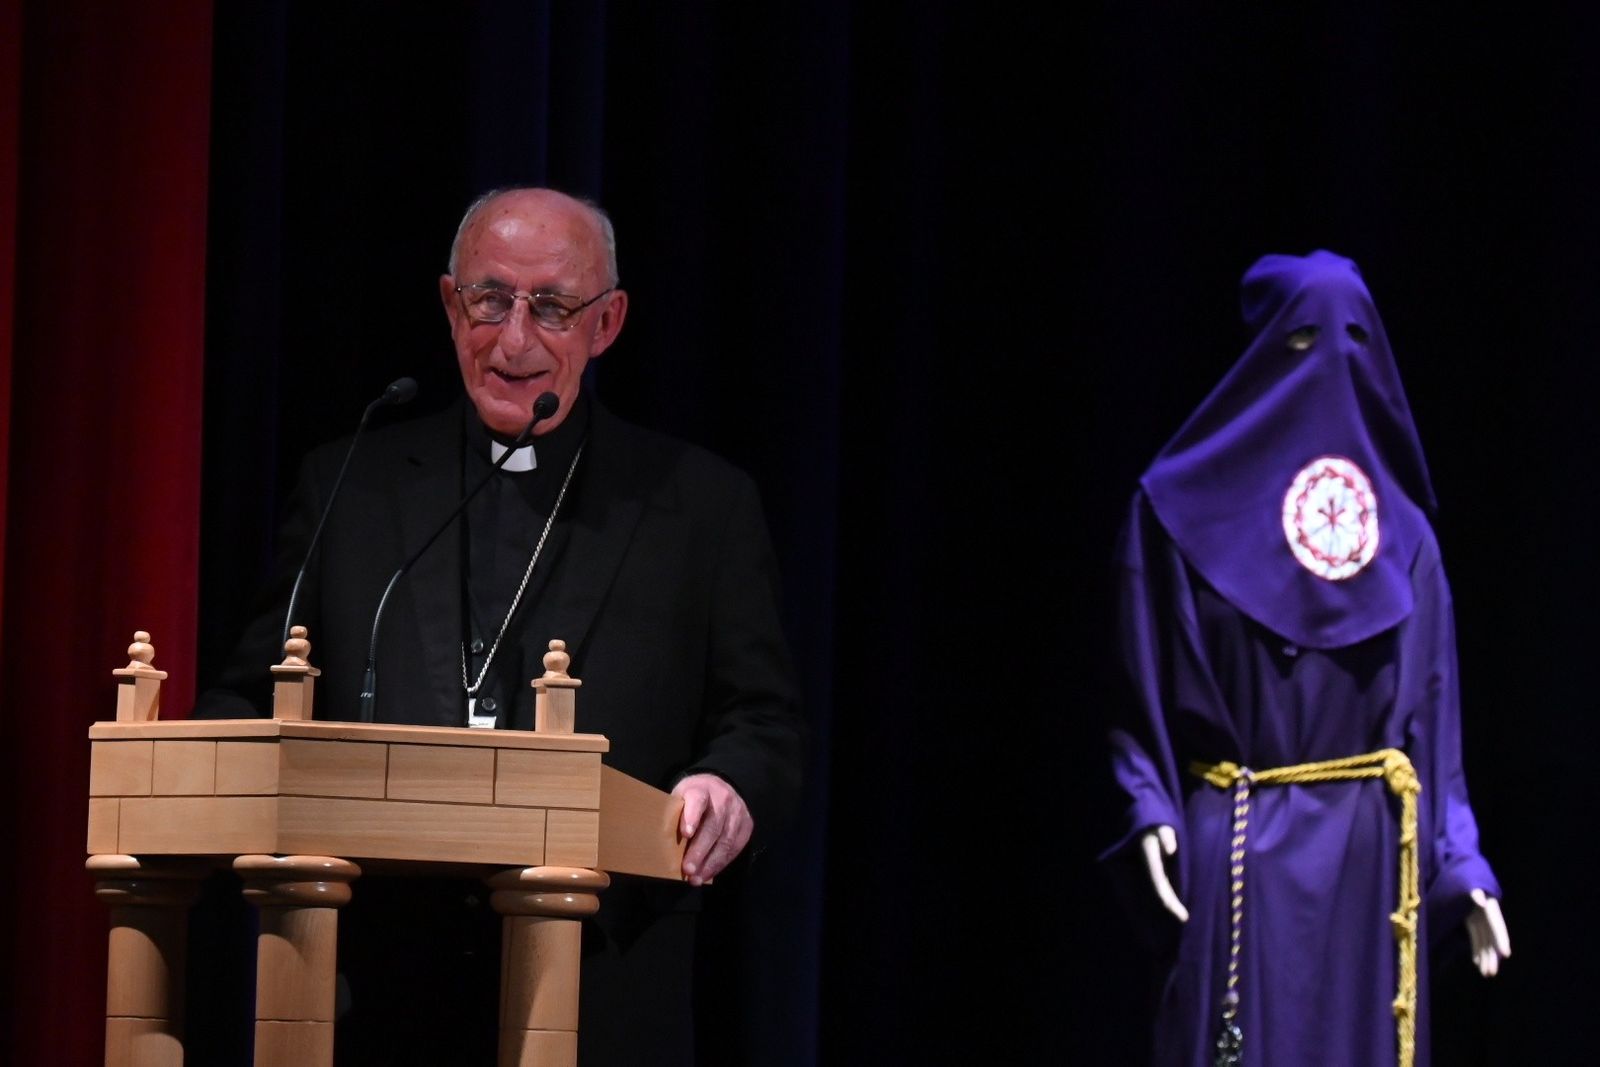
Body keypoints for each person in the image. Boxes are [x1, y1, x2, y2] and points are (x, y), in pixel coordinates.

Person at [196, 187, 805, 1065]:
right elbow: (249, 695)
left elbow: (764, 721)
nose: (513, 339)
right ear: (451, 305)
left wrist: (727, 781)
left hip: (602, 988)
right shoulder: (351, 485)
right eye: (489, 300)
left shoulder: (701, 506)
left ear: (608, 322)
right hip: (375, 987)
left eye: (552, 306)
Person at [1104, 251, 1509, 1067]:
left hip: (1370, 875)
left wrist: (1462, 866)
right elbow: (1136, 699)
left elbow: (1436, 722)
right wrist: (1148, 806)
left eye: (1352, 339)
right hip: (1239, 841)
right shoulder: (1172, 514)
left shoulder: (1406, 540)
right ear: (1259, 355)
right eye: (1300, 343)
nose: (1327, 364)